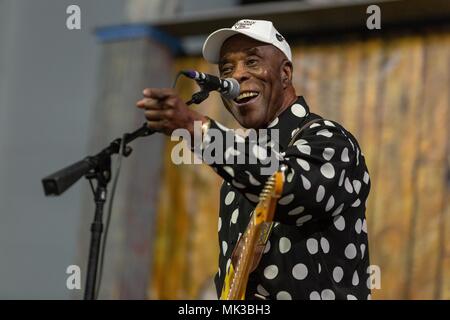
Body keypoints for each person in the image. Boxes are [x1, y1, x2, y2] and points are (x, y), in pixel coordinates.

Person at [136, 19, 371, 300]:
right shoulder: (236, 174)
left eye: (252, 62)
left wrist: (196, 129)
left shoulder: (329, 139)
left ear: (285, 74)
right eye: (226, 69)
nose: (237, 76)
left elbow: (290, 189)